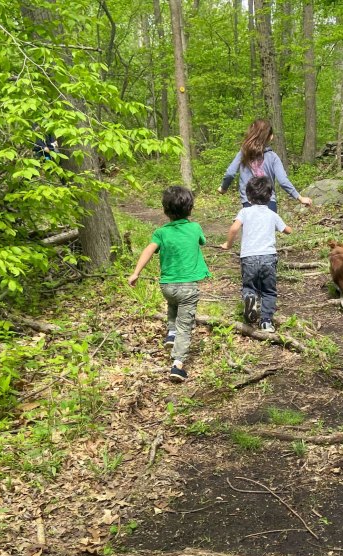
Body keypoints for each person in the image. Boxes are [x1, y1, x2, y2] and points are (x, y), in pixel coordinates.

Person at [128, 186, 210, 383]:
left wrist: (136, 273)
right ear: (190, 208)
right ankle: (178, 364)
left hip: (167, 286)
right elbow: (202, 241)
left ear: (165, 210)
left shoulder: (161, 232)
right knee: (185, 325)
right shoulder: (195, 228)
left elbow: (148, 250)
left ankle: (171, 333)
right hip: (188, 287)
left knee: (173, 305)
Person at [220, 176, 292, 332]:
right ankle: (266, 321)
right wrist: (287, 228)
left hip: (249, 257)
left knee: (249, 286)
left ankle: (249, 299)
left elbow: (233, 229)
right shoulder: (272, 214)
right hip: (268, 257)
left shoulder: (244, 212)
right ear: (269, 195)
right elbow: (287, 230)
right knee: (268, 290)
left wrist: (228, 244)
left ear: (249, 196)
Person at [219, 118, 313, 213]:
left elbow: (230, 173)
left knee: (249, 228)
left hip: (249, 203)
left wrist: (223, 188)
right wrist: (300, 197)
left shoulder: (244, 153)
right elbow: (283, 181)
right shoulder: (273, 157)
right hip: (269, 203)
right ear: (270, 137)